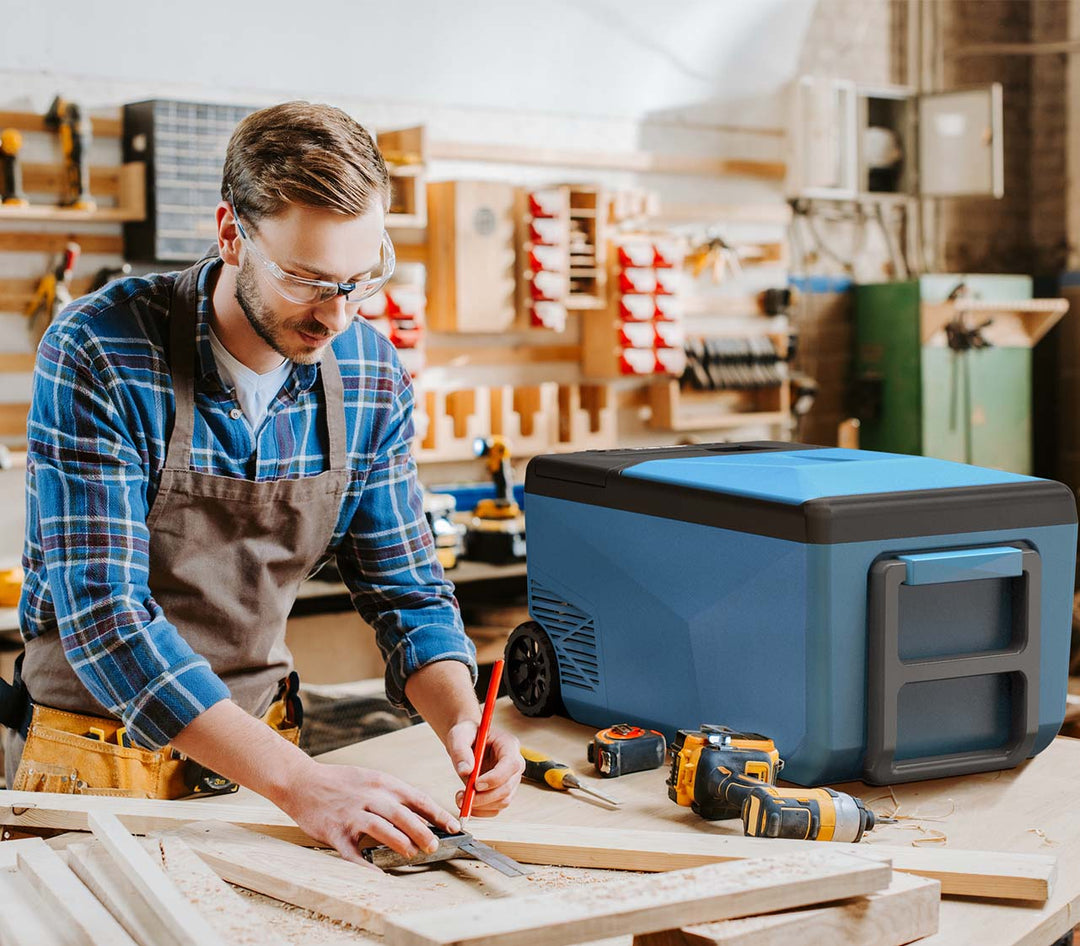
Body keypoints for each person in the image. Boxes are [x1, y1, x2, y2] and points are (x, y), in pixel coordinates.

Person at [0, 101, 523, 866]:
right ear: (230, 235)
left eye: (358, 280)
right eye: (306, 279)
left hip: (263, 765)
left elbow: (406, 590)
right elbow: (105, 617)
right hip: (95, 760)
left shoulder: (370, 373)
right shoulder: (100, 349)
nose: (336, 315)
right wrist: (301, 783)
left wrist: (459, 719)